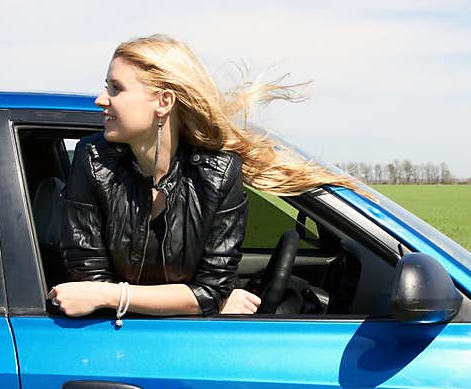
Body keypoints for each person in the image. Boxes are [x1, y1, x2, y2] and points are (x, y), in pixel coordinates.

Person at [48, 34, 357, 321]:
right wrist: (195, 302)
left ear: (163, 102)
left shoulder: (218, 174)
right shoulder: (93, 160)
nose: (101, 99)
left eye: (116, 88)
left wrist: (114, 295)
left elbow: (209, 291)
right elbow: (89, 284)